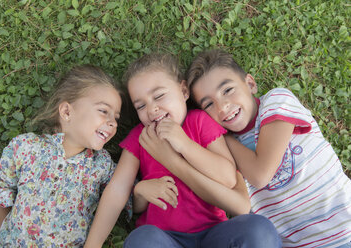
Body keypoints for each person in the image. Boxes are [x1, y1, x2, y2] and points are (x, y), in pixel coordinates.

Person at [85, 53, 281, 248]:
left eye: (159, 96)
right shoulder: (141, 137)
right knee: (142, 240)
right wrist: (140, 192)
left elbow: (228, 177)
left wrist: (184, 144)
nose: (152, 109)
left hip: (214, 234)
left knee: (259, 230)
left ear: (184, 90)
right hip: (164, 238)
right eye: (141, 105)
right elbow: (117, 190)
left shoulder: (199, 122)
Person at [187, 49, 351, 248]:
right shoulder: (219, 155)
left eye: (228, 90)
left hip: (345, 231)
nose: (222, 107)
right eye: (209, 105)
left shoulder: (276, 102)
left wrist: (221, 137)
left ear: (250, 84)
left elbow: (260, 174)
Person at [0, 65, 124, 247]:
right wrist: (7, 235)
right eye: (104, 111)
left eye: (116, 117)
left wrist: (142, 190)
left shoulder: (101, 164)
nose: (113, 123)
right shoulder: (26, 147)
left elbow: (123, 193)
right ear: (67, 112)